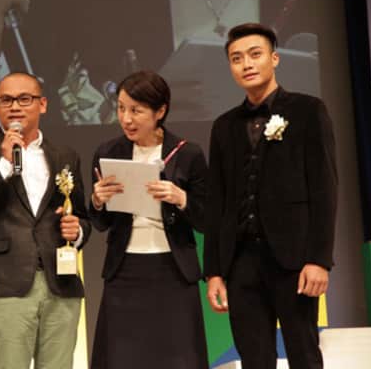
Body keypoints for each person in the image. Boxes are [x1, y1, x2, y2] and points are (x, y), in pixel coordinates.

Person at [204, 23, 337, 369]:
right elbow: (218, 202)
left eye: (255, 54)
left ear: (274, 58)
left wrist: (319, 259)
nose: (246, 64)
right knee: (253, 358)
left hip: (294, 261)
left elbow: (324, 189)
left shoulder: (308, 111)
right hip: (241, 264)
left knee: (304, 354)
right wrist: (214, 271)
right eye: (236, 58)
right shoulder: (224, 126)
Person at [0, 72, 91, 369]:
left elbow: (82, 216)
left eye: (24, 99)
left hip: (61, 283)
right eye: (6, 100)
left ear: (43, 104)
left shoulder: (65, 155)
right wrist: (3, 166)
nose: (14, 106)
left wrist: (77, 231)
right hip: (7, 283)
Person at [89, 70, 209, 368]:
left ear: (160, 111)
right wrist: (97, 201)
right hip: (125, 270)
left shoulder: (188, 154)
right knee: (123, 357)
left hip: (173, 270)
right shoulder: (108, 152)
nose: (126, 119)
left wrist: (181, 198)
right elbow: (100, 223)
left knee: (177, 355)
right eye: (121, 108)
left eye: (136, 110)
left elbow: (207, 219)